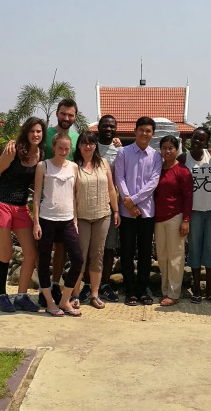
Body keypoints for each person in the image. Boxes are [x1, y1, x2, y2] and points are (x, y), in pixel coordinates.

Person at [0, 117, 44, 313]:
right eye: (32, 131)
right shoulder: (13, 150)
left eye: (39, 131)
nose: (35, 134)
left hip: (20, 207)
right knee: (5, 252)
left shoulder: (40, 154)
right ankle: (1, 297)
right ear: (26, 132)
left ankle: (22, 296)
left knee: (31, 252)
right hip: (0, 204)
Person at [32, 133, 84, 317]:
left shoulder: (74, 167)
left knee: (78, 259)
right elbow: (36, 196)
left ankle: (65, 300)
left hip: (67, 220)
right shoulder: (43, 166)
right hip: (47, 219)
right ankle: (49, 302)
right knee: (44, 261)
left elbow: (74, 196)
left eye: (66, 149)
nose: (63, 151)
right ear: (53, 147)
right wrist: (36, 222)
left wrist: (75, 220)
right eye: (60, 148)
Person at [115, 116, 162, 306]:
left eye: (148, 131)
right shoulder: (123, 152)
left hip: (147, 212)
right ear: (135, 131)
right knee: (127, 252)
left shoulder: (156, 156)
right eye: (141, 130)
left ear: (153, 134)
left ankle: (142, 289)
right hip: (126, 213)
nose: (144, 133)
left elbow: (153, 183)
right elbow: (119, 177)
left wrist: (132, 201)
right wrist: (128, 204)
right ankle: (130, 290)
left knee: (144, 252)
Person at [71, 131, 120, 309]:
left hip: (102, 215)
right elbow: (71, 194)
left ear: (95, 145)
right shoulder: (74, 166)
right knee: (80, 257)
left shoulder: (103, 163)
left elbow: (111, 189)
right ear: (79, 145)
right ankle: (75, 295)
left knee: (98, 255)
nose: (88, 146)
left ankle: (94, 294)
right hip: (82, 217)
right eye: (84, 143)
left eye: (91, 143)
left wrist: (116, 210)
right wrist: (73, 218)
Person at [39, 98, 80, 308]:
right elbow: (28, 143)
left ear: (75, 117)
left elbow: (88, 154)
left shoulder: (76, 137)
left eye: (70, 115)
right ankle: (44, 291)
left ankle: (55, 284)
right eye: (63, 113)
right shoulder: (45, 135)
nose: (66, 118)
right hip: (45, 203)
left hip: (65, 206)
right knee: (44, 253)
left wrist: (116, 143)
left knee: (63, 249)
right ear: (57, 113)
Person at [177, 127, 211, 303]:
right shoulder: (184, 158)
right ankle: (196, 289)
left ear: (206, 142)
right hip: (193, 211)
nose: (197, 142)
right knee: (195, 249)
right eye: (195, 138)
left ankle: (209, 290)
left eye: (201, 139)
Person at [154, 135, 193, 306]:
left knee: (175, 256)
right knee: (162, 256)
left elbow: (188, 197)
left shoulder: (182, 171)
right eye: (164, 148)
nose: (167, 151)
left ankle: (174, 293)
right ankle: (165, 290)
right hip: (158, 218)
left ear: (177, 150)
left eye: (171, 148)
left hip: (175, 217)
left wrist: (186, 220)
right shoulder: (157, 169)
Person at [95, 114, 122, 302]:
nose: (108, 129)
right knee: (91, 247)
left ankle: (104, 283)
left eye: (112, 126)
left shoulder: (119, 151)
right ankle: (89, 285)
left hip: (111, 205)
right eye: (105, 125)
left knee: (109, 247)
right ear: (98, 127)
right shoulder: (90, 146)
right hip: (89, 204)